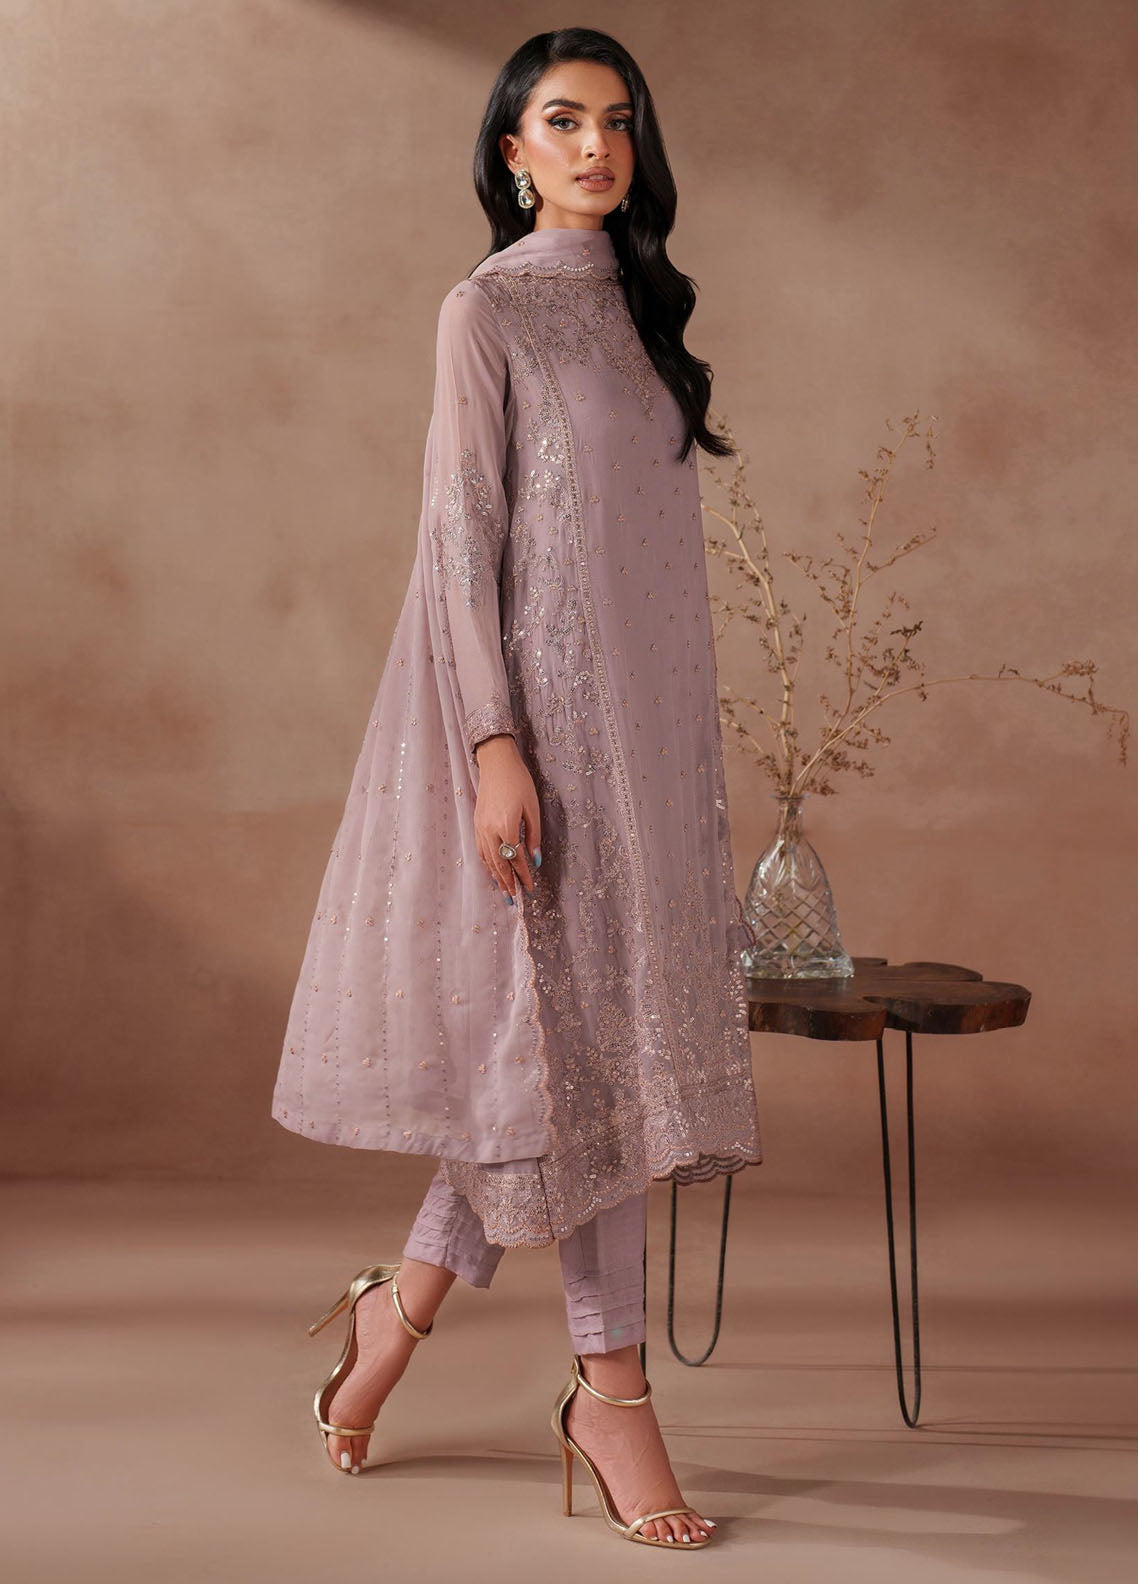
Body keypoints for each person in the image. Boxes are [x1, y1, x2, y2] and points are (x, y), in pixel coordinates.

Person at [271, 27, 762, 1550]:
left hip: (650, 749)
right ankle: (613, 1397)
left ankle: (388, 1329)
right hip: (540, 741)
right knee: (583, 1061)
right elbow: (459, 537)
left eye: (617, 122)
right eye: (562, 121)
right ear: (511, 151)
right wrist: (492, 745)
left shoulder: (645, 312)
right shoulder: (485, 310)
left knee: (564, 1069)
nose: (595, 147)